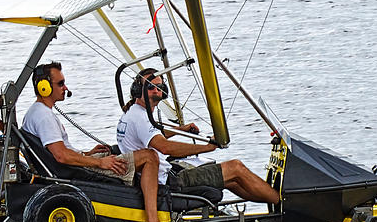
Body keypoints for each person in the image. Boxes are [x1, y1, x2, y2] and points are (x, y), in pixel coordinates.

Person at [21, 62, 185, 222]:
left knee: (114, 150)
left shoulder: (36, 112)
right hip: (75, 170)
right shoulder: (44, 117)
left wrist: (87, 154)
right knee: (150, 156)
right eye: (60, 83)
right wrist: (100, 162)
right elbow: (61, 156)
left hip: (74, 164)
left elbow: (59, 150)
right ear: (44, 87)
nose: (65, 88)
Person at [116, 68, 280, 204]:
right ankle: (284, 203)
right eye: (150, 86)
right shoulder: (141, 118)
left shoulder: (132, 113)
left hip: (162, 175)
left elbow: (151, 135)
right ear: (138, 90)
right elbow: (165, 147)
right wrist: (207, 147)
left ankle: (275, 205)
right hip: (166, 181)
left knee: (233, 181)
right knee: (236, 167)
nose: (157, 90)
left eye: (160, 86)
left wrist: (182, 129)